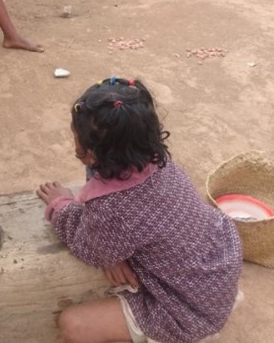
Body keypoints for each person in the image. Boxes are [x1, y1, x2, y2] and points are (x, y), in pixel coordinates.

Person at [37, 77, 243, 343]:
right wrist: (112, 253)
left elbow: (85, 246)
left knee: (73, 325)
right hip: (218, 273)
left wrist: (61, 205)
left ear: (88, 152)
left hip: (190, 312)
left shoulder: (109, 207)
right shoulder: (158, 159)